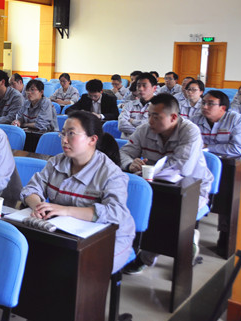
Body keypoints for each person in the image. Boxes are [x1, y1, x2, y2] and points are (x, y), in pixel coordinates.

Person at [21, 111, 135, 274]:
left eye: (71, 134)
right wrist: (38, 206)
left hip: (110, 237)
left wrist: (66, 210)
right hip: (68, 232)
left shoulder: (111, 173)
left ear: (92, 139)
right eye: (63, 133)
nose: (64, 140)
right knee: (33, 259)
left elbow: (114, 212)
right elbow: (31, 188)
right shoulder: (56, 162)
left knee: (81, 270)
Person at [120, 93, 213, 273]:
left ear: (173, 117)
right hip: (156, 188)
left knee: (168, 216)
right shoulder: (144, 129)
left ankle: (147, 257)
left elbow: (182, 168)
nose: (150, 121)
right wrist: (129, 164)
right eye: (149, 115)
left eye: (156, 117)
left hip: (192, 190)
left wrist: (146, 170)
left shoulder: (190, 132)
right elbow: (124, 152)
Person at [191, 90, 241, 157]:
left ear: (223, 108)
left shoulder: (236, 120)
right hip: (201, 158)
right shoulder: (194, 120)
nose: (204, 107)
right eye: (203, 103)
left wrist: (207, 147)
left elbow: (239, 149)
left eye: (210, 104)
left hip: (229, 160)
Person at [118, 72, 157, 138]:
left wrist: (132, 121)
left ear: (154, 88)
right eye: (138, 86)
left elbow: (152, 126)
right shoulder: (129, 105)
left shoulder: (160, 107)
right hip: (127, 142)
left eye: (144, 86)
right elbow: (121, 125)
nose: (140, 89)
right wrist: (140, 132)